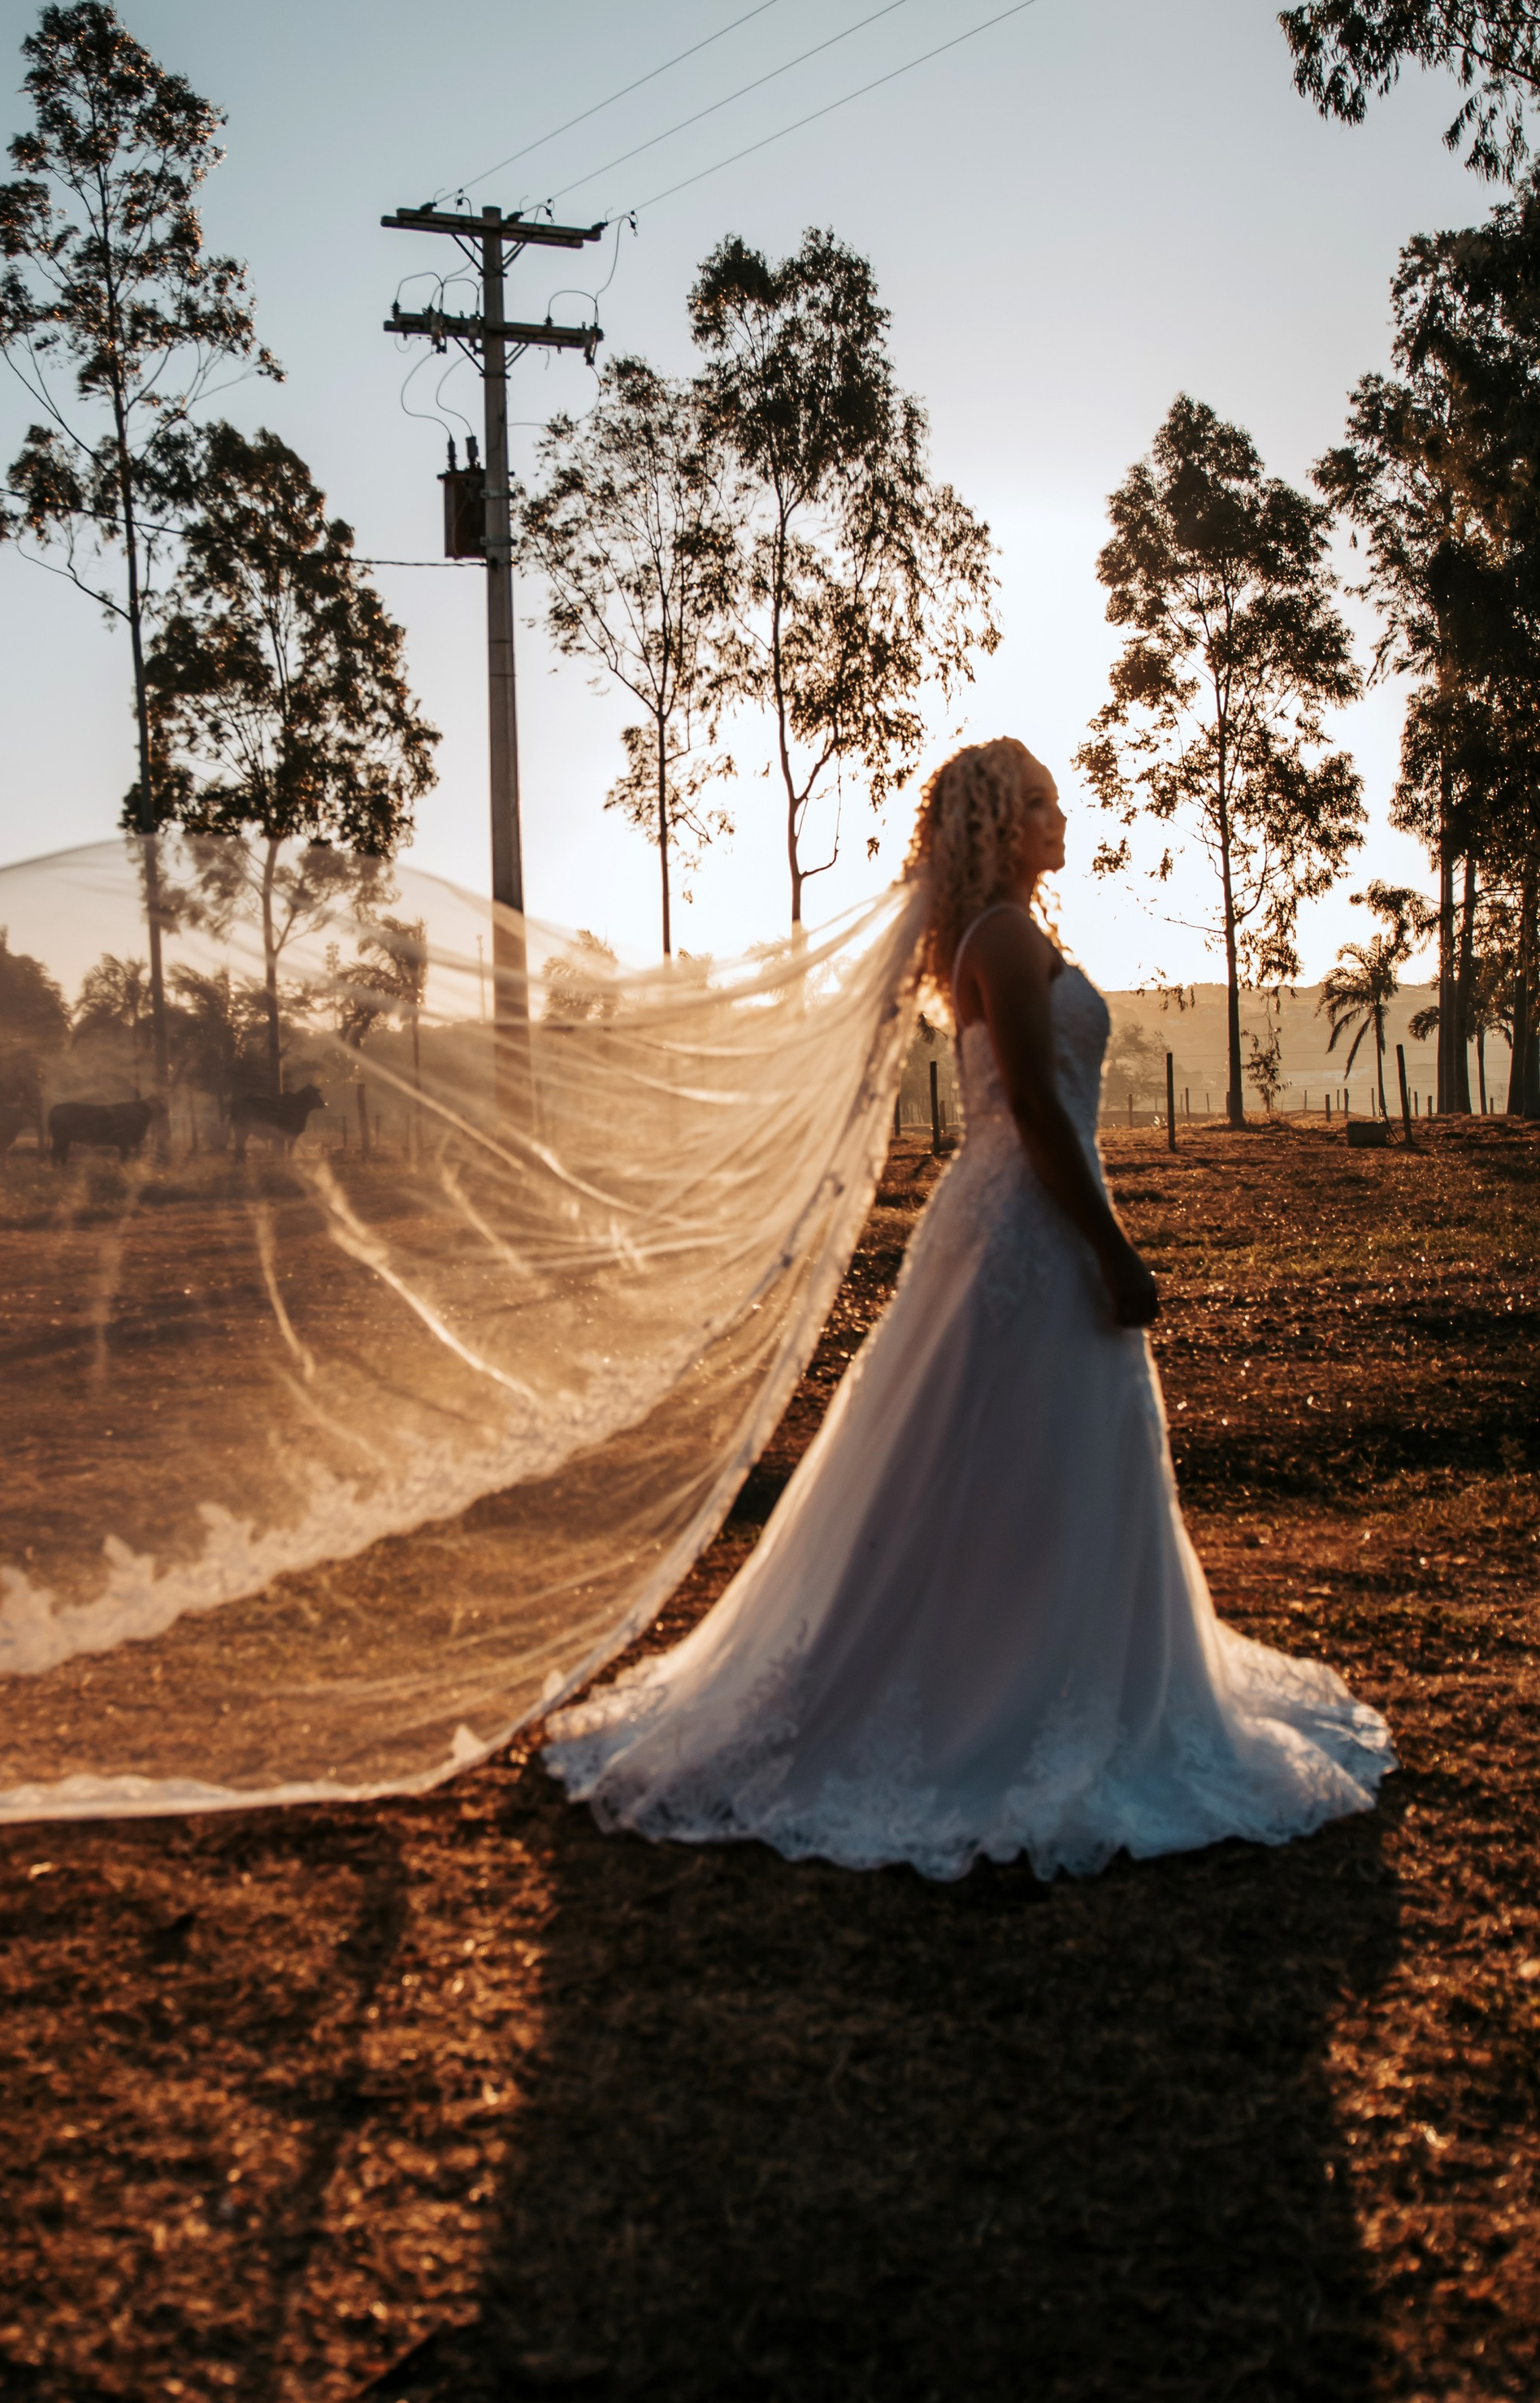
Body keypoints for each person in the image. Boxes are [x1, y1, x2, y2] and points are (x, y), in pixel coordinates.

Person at [543, 736, 1391, 1880]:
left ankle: (1032, 1669)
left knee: (1029, 1465)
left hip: (1009, 1218)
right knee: (1010, 1459)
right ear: (998, 824)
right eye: (1041, 803)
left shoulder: (999, 934)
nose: (1061, 816)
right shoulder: (1004, 935)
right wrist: (1113, 1249)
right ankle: (999, 1695)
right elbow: (1037, 1109)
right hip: (1031, 1226)